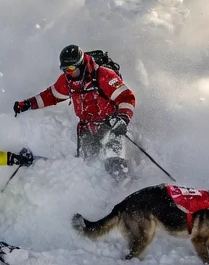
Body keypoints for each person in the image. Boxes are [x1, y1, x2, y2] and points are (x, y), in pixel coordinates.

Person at [14, 45, 136, 181]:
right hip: (86, 128)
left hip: (111, 124)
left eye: (72, 68)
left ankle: (125, 188)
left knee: (113, 161)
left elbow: (126, 97)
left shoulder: (103, 75)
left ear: (82, 63)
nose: (69, 73)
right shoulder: (67, 81)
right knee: (87, 165)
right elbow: (51, 95)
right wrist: (28, 104)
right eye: (65, 69)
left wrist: (123, 119)